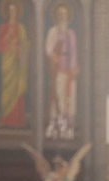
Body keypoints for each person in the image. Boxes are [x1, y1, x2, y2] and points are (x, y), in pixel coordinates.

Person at [45, 2, 78, 140]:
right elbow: (48, 49)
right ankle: (55, 123)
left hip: (69, 70)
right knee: (57, 96)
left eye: (64, 14)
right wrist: (54, 57)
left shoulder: (71, 33)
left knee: (69, 97)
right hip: (58, 70)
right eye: (60, 14)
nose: (62, 17)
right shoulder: (53, 31)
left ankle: (68, 125)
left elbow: (74, 52)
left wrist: (73, 67)